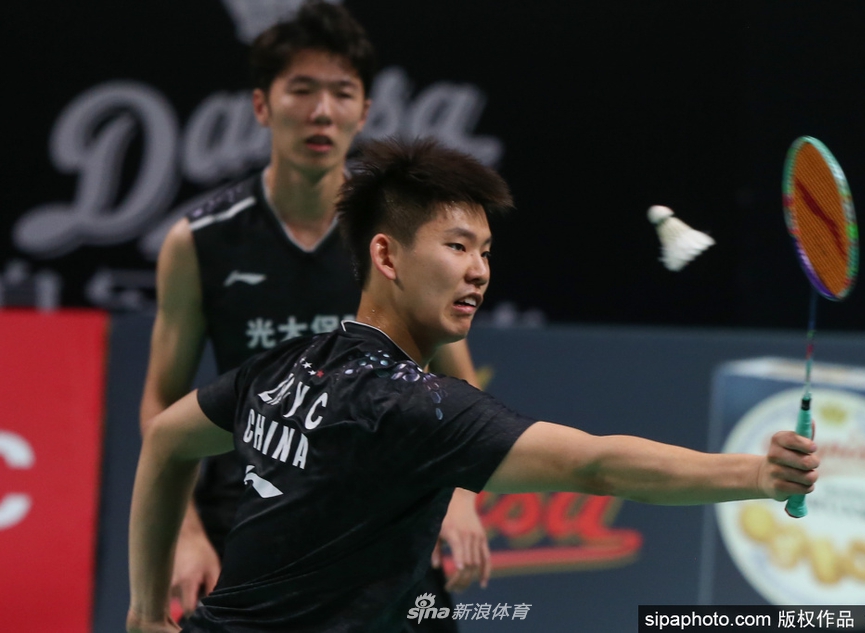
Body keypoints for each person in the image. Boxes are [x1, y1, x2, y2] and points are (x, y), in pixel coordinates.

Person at [128, 138, 820, 633]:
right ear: (386, 255)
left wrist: (146, 613)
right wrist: (756, 474)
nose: (480, 271)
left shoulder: (283, 364)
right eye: (457, 246)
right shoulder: (411, 406)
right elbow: (596, 464)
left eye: (486, 251)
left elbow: (164, 441)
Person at [139, 2, 487, 626]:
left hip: (382, 513)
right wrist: (185, 536)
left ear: (364, 111)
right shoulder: (199, 242)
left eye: (342, 92)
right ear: (262, 105)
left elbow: (457, 384)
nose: (322, 111)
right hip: (250, 511)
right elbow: (163, 402)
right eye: (301, 89)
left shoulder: (396, 236)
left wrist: (459, 497)